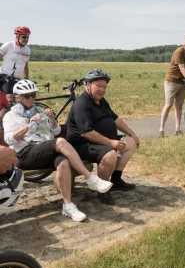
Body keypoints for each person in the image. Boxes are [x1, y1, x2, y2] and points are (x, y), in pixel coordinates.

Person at [3, 79, 113, 222]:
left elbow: (56, 131)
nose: (32, 98)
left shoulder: (39, 110)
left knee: (64, 162)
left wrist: (52, 120)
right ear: (18, 98)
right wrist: (30, 125)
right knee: (61, 142)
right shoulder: (10, 116)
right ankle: (90, 178)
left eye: (33, 95)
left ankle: (68, 205)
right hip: (25, 153)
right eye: (27, 96)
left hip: (45, 150)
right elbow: (9, 139)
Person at [66, 69, 139, 203]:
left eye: (104, 87)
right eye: (98, 86)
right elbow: (87, 132)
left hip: (100, 142)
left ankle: (116, 180)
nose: (102, 90)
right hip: (82, 145)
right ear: (87, 85)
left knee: (131, 142)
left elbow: (115, 119)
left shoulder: (101, 101)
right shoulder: (82, 104)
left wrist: (132, 134)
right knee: (110, 155)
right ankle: (102, 190)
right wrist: (111, 143)